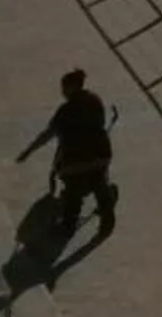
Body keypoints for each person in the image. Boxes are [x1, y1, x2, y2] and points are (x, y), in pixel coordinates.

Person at [19, 69, 118, 236]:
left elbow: (48, 134)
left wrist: (29, 150)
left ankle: (68, 225)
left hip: (75, 160)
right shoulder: (95, 100)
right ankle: (107, 219)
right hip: (101, 154)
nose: (62, 92)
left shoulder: (65, 110)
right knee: (99, 182)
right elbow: (100, 125)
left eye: (63, 88)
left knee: (73, 192)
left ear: (70, 88)